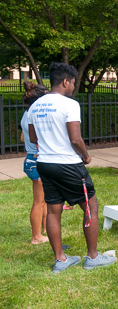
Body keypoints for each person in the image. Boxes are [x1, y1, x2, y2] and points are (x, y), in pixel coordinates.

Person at [28, 62, 116, 273]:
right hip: (68, 164)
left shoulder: (35, 105)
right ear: (65, 81)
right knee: (90, 207)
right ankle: (93, 257)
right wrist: (85, 156)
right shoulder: (69, 104)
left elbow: (33, 138)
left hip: (45, 163)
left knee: (53, 211)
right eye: (74, 83)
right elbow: (75, 139)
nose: (74, 87)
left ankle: (61, 259)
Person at [20, 81, 49, 245]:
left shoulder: (26, 114)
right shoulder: (36, 114)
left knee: (43, 200)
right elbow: (36, 140)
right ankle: (36, 237)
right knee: (38, 201)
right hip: (37, 160)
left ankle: (44, 230)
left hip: (30, 159)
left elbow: (23, 138)